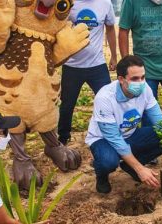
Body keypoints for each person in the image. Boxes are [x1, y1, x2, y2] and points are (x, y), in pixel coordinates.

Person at [85, 55, 162, 194]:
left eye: (143, 77)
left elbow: (159, 120)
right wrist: (140, 169)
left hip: (130, 134)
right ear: (121, 79)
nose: (141, 82)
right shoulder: (105, 97)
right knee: (108, 162)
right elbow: (114, 138)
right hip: (104, 139)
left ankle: (130, 166)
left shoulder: (145, 89)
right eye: (135, 79)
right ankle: (102, 177)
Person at [118, 0, 162, 122]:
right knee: (147, 110)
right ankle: (152, 136)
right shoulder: (131, 2)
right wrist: (127, 62)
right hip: (144, 69)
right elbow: (123, 31)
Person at [57, 0, 117, 144]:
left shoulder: (105, 3)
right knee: (66, 105)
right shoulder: (69, 3)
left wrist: (114, 56)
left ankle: (112, 134)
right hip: (72, 65)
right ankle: (63, 138)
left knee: (109, 101)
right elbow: (58, 28)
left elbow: (110, 29)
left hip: (97, 64)